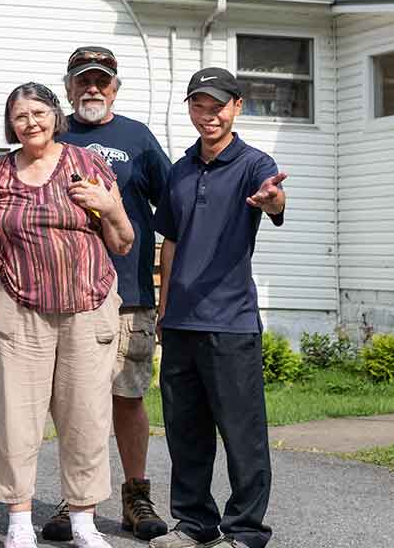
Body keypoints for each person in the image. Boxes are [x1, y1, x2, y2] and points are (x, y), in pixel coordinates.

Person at [0, 83, 134, 548]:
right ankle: (19, 522)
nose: (31, 122)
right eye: (20, 115)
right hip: (19, 308)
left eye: (39, 111)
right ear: (11, 123)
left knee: (86, 416)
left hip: (87, 306)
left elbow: (123, 241)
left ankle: (84, 522)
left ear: (56, 115)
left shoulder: (88, 166)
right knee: (14, 416)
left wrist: (108, 207)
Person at [149, 68, 287, 548]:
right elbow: (170, 240)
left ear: (237, 107)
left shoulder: (253, 163)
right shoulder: (181, 169)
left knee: (242, 434)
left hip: (230, 323)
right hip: (181, 321)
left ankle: (246, 531)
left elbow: (274, 198)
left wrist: (272, 201)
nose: (208, 115)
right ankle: (193, 525)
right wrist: (165, 309)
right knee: (186, 435)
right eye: (199, 106)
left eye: (217, 106)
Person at [42, 47, 170, 542]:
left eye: (102, 81)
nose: (93, 89)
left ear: (115, 88)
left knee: (127, 397)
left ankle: (136, 496)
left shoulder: (137, 138)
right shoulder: (54, 136)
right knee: (72, 402)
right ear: (69, 87)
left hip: (129, 290)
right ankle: (74, 498)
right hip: (66, 292)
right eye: (83, 81)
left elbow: (174, 206)